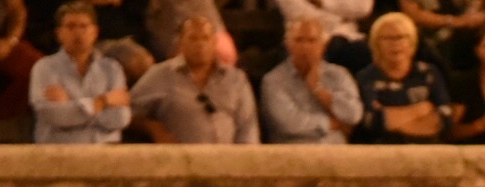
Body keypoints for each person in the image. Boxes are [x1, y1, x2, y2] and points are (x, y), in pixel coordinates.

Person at [130, 15, 256, 143]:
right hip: (178, 159)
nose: (200, 45)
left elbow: (247, 127)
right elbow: (128, 112)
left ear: (214, 43)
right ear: (180, 42)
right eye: (193, 38)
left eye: (205, 38)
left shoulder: (236, 79)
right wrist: (153, 128)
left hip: (226, 159)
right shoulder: (160, 74)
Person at [30, 1, 130, 144]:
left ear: (95, 32)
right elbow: (53, 116)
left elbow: (121, 118)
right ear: (58, 33)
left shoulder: (112, 69)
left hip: (105, 155)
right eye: (71, 26)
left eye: (83, 26)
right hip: (58, 155)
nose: (78, 32)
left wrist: (71, 105)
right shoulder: (44, 68)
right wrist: (103, 102)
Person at [260, 17, 363, 144]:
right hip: (291, 155)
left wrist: (318, 89)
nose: (305, 47)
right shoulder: (273, 80)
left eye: (312, 40)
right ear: (288, 45)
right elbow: (289, 124)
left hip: (336, 154)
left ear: (323, 45)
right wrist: (332, 124)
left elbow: (353, 115)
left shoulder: (339, 75)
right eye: (299, 40)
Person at [355, 11, 451, 144]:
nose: (395, 43)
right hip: (384, 150)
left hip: (427, 148)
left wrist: (394, 121)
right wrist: (420, 110)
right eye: (388, 38)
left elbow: (444, 118)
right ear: (376, 43)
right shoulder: (366, 77)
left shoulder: (428, 73)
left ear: (412, 43)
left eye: (401, 37)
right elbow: (373, 122)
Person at [273, 0, 375, 76]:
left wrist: (323, 3)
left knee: (367, 55)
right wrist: (341, 16)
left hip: (347, 36)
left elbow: (363, 8)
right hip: (305, 38)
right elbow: (299, 13)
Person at [398, 0, 485, 74]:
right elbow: (414, 14)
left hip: (463, 33)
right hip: (428, 40)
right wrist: (455, 21)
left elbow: (475, 5)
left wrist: (472, 15)